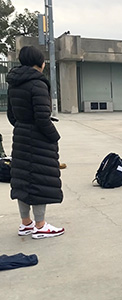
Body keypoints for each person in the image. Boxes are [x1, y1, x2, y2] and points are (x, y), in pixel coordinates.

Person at [6, 46, 64, 239]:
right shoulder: (37, 83)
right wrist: (54, 136)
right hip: (38, 138)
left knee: (22, 180)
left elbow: (11, 116)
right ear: (40, 63)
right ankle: (40, 225)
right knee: (40, 180)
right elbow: (42, 118)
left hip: (20, 135)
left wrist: (22, 127)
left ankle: (26, 224)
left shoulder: (14, 83)